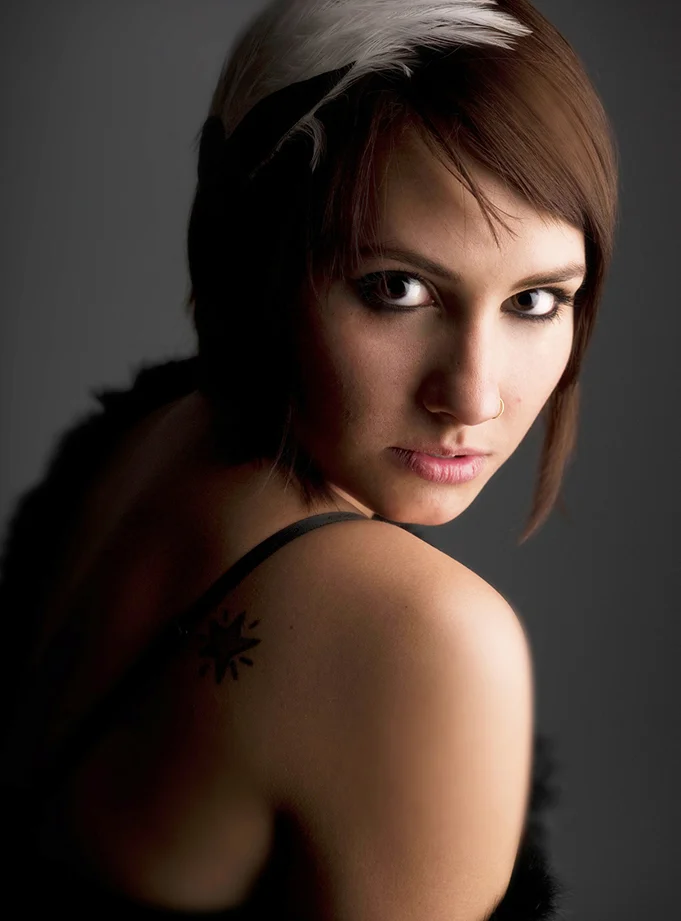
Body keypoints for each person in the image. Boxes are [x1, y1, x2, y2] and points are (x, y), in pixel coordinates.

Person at [0, 0, 618, 918]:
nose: (475, 396)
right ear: (250, 253)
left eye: (534, 300)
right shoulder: (422, 638)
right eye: (395, 288)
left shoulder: (148, 437)